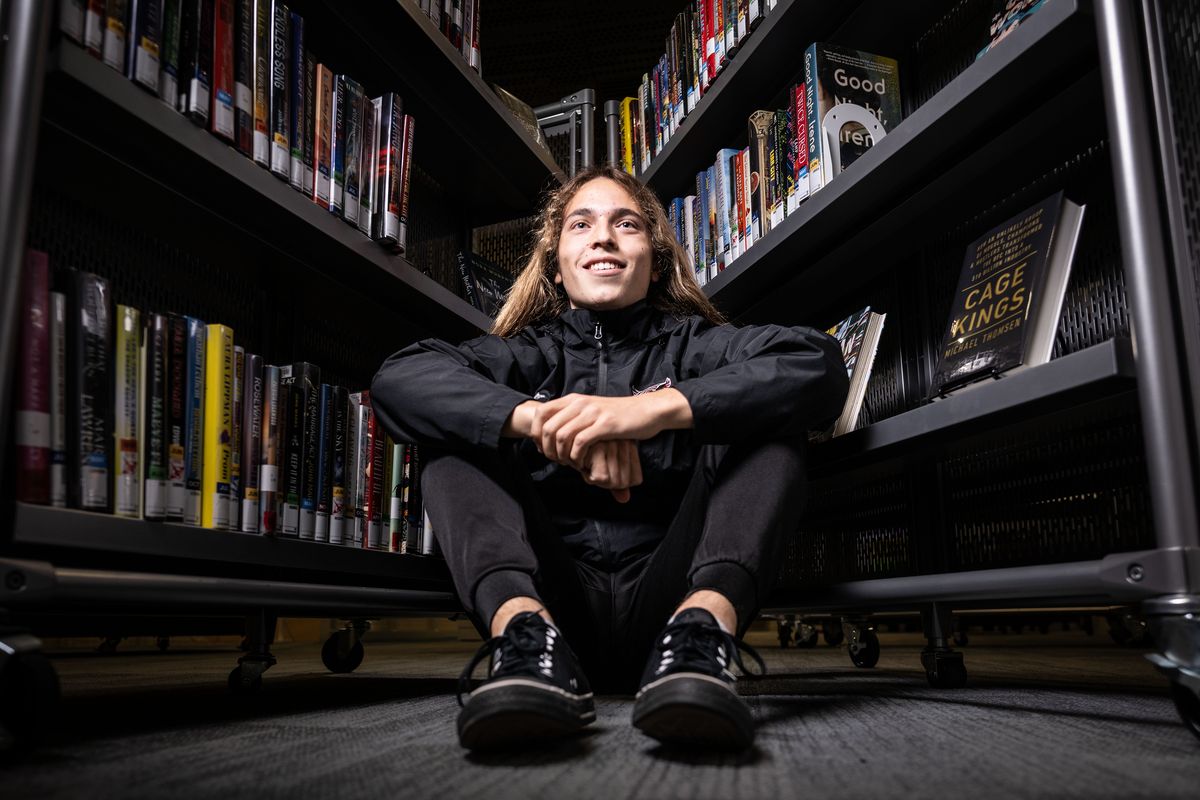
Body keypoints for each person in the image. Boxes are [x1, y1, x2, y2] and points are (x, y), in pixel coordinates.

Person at [371, 165, 848, 752]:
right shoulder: (525, 355)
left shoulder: (694, 345)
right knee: (458, 433)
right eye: (581, 224)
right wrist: (547, 425)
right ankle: (523, 642)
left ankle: (703, 636)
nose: (603, 237)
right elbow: (400, 379)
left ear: (656, 258)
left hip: (670, 600)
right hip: (555, 603)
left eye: (626, 223)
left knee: (769, 419)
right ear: (556, 262)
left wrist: (645, 414)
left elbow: (817, 364)